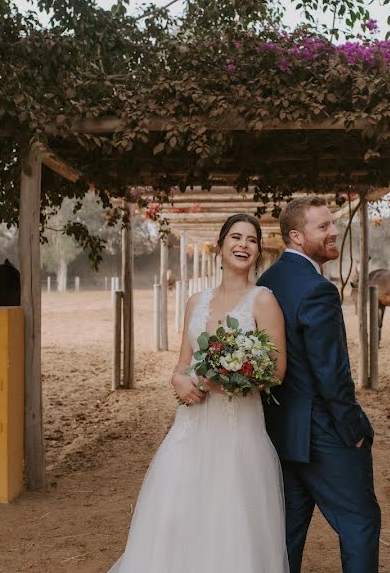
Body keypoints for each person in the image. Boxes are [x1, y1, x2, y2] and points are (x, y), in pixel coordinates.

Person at [109, 214, 290, 573]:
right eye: (235, 238)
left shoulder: (263, 301)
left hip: (238, 430)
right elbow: (181, 365)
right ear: (220, 245)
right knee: (178, 512)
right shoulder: (196, 301)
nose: (243, 245)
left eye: (251, 240)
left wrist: (225, 380)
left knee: (231, 517)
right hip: (190, 427)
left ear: (257, 250)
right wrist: (178, 380)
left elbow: (277, 370)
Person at [257, 196, 381, 573]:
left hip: (280, 432)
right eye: (322, 227)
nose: (333, 232)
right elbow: (331, 372)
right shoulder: (318, 290)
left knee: (288, 534)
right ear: (296, 236)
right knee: (361, 522)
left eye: (332, 224)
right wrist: (355, 429)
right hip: (324, 433)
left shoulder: (267, 281)